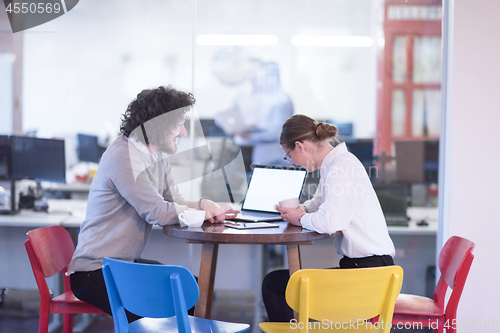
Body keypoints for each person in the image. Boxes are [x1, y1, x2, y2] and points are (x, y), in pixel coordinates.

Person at [69, 86, 237, 322]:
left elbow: (173, 202)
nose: (184, 130)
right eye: (179, 123)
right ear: (159, 124)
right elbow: (157, 212)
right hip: (97, 272)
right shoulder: (124, 155)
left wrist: (205, 204)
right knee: (174, 304)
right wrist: (199, 214)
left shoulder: (157, 156)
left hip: (122, 266)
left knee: (192, 289)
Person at [262, 114, 395, 322]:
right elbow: (318, 204)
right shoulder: (335, 164)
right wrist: (298, 211)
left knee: (274, 283)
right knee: (283, 282)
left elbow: (330, 222)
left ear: (300, 146)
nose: (292, 161)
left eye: (288, 155)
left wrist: (300, 218)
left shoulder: (339, 168)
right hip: (368, 270)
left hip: (367, 274)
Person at [232, 61, 294, 166]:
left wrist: (249, 136)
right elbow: (266, 126)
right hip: (262, 157)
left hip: (276, 158)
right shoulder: (267, 99)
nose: (257, 81)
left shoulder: (282, 100)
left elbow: (278, 133)